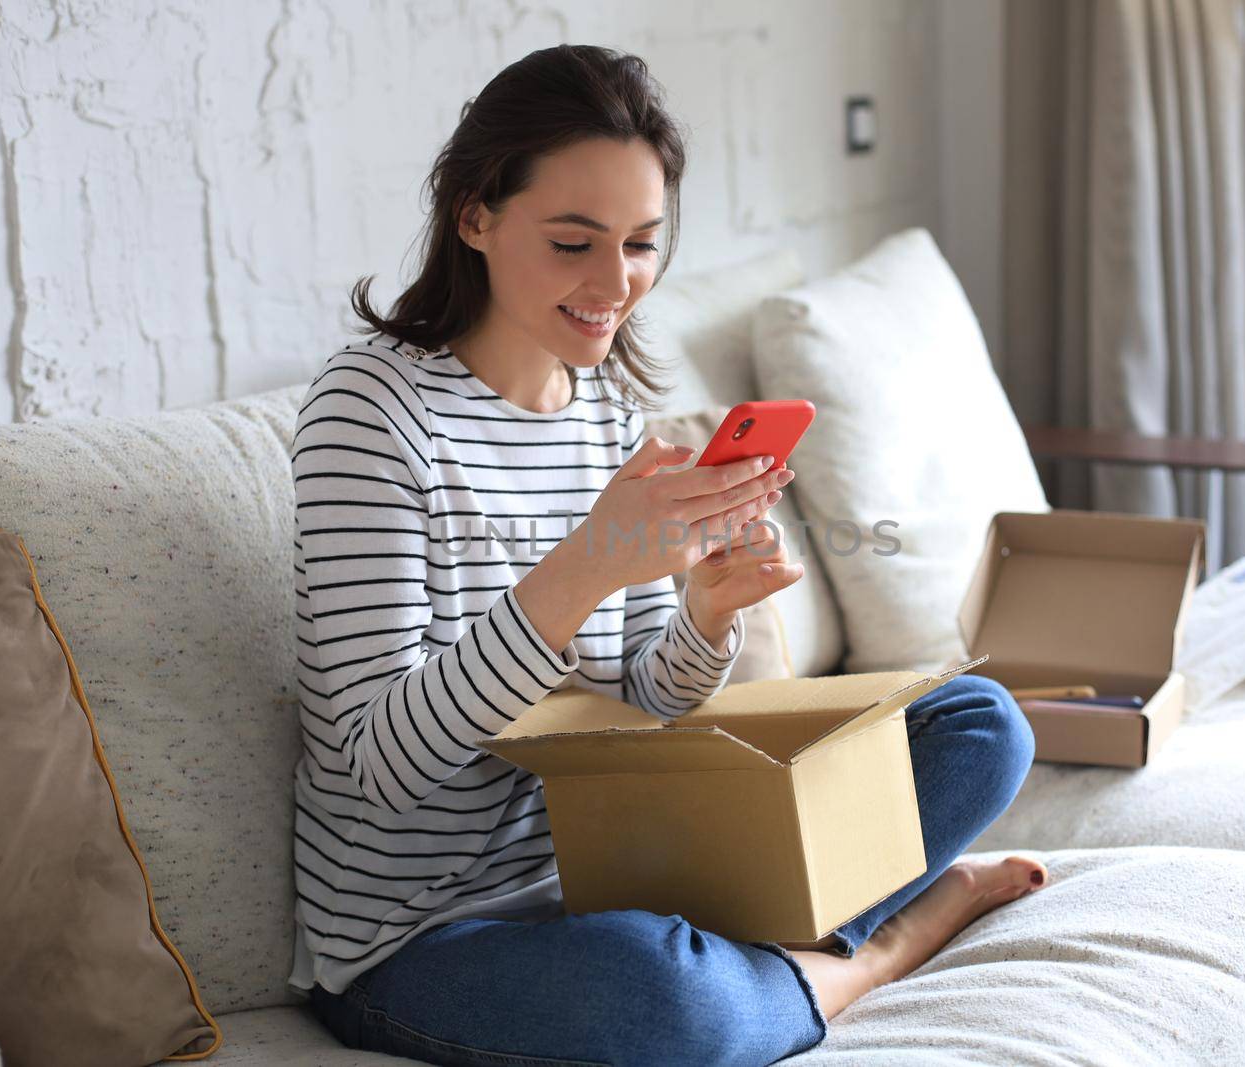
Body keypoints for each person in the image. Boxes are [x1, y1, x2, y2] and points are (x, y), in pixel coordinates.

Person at [290, 42, 1046, 1067]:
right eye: (572, 243)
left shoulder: (607, 415)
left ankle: (765, 960)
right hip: (427, 934)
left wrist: (706, 614)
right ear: (474, 215)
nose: (616, 283)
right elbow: (379, 762)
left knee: (977, 723)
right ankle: (868, 953)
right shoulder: (371, 411)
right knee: (658, 998)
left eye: (642, 243)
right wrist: (586, 567)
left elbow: (645, 715)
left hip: (622, 869)